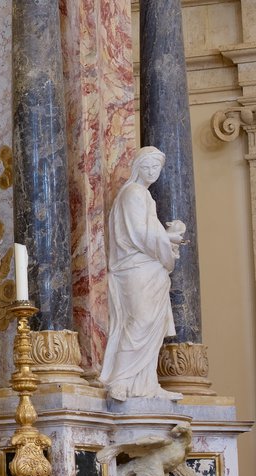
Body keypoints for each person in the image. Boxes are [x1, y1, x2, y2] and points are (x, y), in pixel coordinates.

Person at [100, 146, 185, 401]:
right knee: (139, 322)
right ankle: (120, 379)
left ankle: (146, 383)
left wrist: (167, 237)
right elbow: (138, 233)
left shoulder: (146, 197)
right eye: (146, 167)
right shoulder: (133, 193)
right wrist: (168, 237)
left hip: (149, 270)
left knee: (153, 326)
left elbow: (148, 234)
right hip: (134, 268)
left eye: (155, 168)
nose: (151, 172)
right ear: (137, 168)